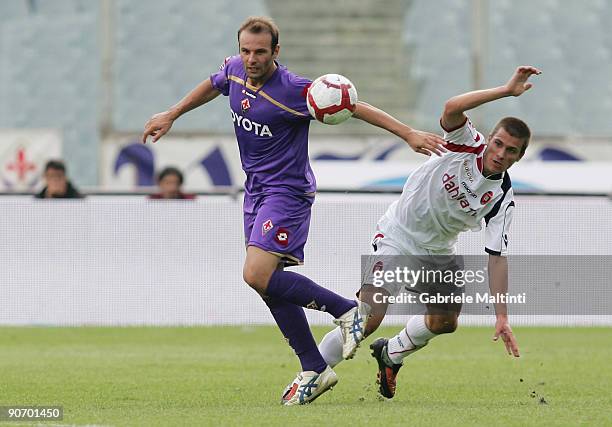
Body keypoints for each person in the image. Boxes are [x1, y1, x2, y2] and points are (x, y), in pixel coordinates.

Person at [142, 16, 447, 405]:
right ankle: (314, 367)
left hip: (287, 192)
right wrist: (173, 112)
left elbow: (353, 105)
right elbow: (213, 85)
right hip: (256, 191)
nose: (251, 59)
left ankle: (349, 311)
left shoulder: (294, 88)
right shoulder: (234, 70)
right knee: (267, 282)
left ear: (276, 52)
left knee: (255, 272)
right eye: (246, 51)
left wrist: (407, 132)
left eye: (260, 52)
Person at [316, 66, 542, 399]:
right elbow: (452, 107)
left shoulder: (501, 198)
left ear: (520, 157)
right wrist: (506, 91)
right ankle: (312, 370)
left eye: (511, 151)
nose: (500, 154)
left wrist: (502, 316)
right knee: (368, 317)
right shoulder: (467, 143)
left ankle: (391, 353)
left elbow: (496, 259)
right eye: (498, 144)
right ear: (489, 139)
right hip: (399, 235)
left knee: (445, 321)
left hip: (438, 252)